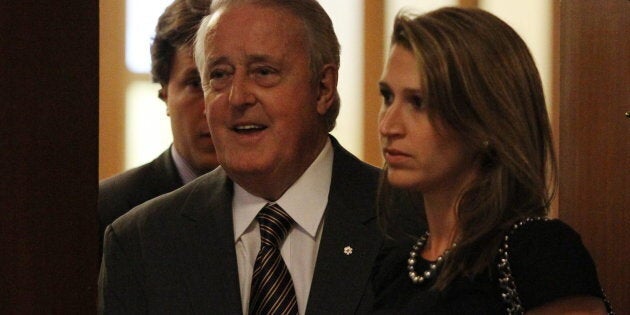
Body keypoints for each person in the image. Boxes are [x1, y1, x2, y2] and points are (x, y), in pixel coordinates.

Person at [98, 0, 387, 314]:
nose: (237, 97)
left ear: (322, 88)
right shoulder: (141, 243)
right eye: (219, 75)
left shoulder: (406, 219)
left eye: (263, 72)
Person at [373, 7, 613, 314]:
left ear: (485, 120)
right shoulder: (395, 263)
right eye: (387, 97)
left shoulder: (538, 252)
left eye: (419, 103)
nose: (388, 126)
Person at [98, 0, 217, 250]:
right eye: (195, 83)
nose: (211, 106)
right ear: (165, 94)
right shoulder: (109, 210)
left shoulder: (275, 201)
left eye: (220, 78)